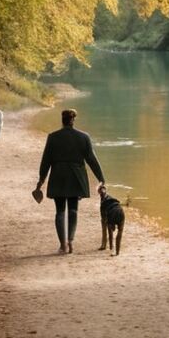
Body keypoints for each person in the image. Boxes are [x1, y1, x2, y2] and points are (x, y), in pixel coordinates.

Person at [35, 108, 105, 255]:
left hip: (58, 176)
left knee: (60, 211)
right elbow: (92, 160)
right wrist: (101, 178)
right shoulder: (83, 137)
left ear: (63, 120)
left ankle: (63, 245)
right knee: (73, 209)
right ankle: (70, 241)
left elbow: (46, 161)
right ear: (74, 120)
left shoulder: (53, 137)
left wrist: (41, 181)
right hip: (76, 176)